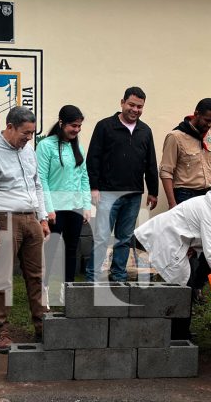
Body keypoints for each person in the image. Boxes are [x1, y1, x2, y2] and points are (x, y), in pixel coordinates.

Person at [0, 106, 50, 354]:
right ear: (10, 127)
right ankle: (0, 331)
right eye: (25, 133)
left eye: (31, 134)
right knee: (1, 278)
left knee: (37, 276)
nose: (29, 138)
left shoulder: (28, 150)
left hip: (31, 219)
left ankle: (43, 327)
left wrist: (42, 218)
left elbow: (37, 184)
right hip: (4, 219)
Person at [134, 191, 211, 338]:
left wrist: (191, 245)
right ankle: (176, 335)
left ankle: (178, 332)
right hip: (162, 240)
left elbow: (194, 229)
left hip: (169, 239)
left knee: (184, 288)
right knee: (183, 290)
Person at [85, 87, 158, 282]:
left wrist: (153, 191)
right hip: (108, 193)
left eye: (140, 106)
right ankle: (92, 276)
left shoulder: (145, 131)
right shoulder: (105, 126)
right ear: (122, 102)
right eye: (131, 105)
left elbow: (151, 162)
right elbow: (93, 158)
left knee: (124, 238)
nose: (135, 109)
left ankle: (118, 275)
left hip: (134, 194)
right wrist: (94, 187)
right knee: (102, 237)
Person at [160, 98, 211, 303]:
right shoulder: (176, 137)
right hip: (185, 195)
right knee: (188, 248)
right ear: (196, 113)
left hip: (208, 195)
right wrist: (172, 204)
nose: (209, 125)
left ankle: (197, 285)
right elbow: (166, 172)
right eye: (206, 120)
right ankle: (183, 289)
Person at [37, 105, 91, 304]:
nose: (76, 130)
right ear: (61, 123)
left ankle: (67, 290)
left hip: (75, 207)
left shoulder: (78, 146)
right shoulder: (45, 146)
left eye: (79, 126)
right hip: (55, 209)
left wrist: (86, 206)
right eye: (73, 126)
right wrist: (48, 209)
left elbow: (84, 177)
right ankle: (43, 290)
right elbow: (41, 179)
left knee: (72, 250)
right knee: (50, 251)